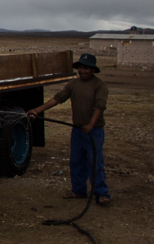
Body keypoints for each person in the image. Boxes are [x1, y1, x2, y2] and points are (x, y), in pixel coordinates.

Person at [27, 53, 111, 205]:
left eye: (86, 68)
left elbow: (100, 106)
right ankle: (79, 190)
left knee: (95, 163)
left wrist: (91, 124)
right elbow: (58, 98)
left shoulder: (100, 86)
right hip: (77, 130)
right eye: (80, 68)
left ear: (93, 70)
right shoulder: (73, 84)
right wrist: (37, 110)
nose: (82, 71)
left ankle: (101, 193)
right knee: (76, 161)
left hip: (94, 131)